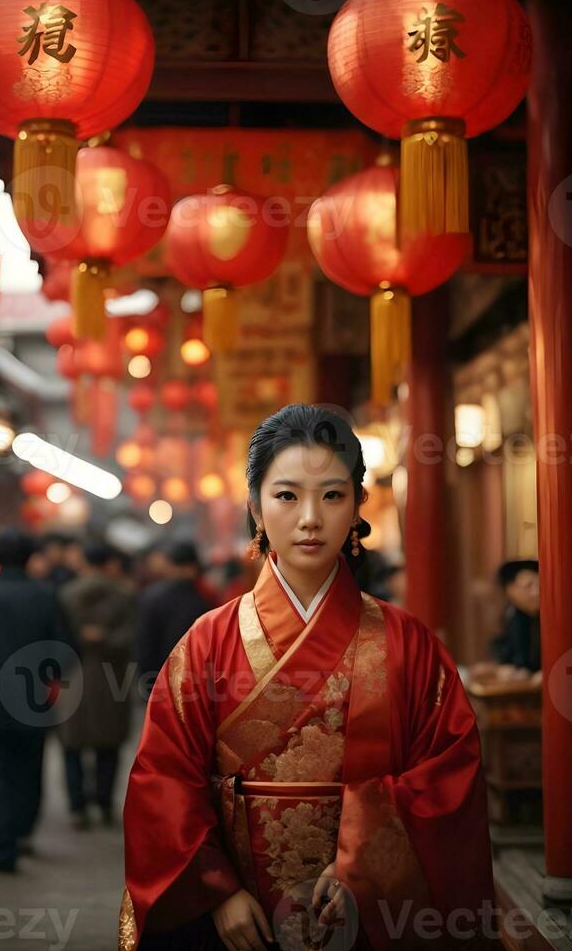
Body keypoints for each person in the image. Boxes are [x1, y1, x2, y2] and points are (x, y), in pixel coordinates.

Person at [122, 404, 496, 951]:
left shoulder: (407, 643)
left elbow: (448, 775)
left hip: (366, 910)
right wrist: (217, 892)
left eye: (332, 495)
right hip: (236, 912)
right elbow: (164, 778)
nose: (310, 519)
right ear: (254, 504)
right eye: (286, 495)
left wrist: (361, 870)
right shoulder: (207, 642)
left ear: (358, 505)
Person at [0, 527, 68, 873]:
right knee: (30, 769)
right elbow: (65, 651)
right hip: (33, 701)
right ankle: (22, 832)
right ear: (30, 556)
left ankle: (4, 844)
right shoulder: (46, 597)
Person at [57, 541, 136, 828]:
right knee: (109, 745)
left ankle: (78, 806)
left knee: (72, 746)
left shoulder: (66, 594)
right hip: (111, 676)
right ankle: (104, 803)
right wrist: (104, 638)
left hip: (73, 676)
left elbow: (57, 637)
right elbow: (131, 638)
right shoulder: (125, 594)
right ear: (109, 563)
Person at [135, 539, 213, 692]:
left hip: (158, 677)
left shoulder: (151, 596)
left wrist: (147, 683)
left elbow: (144, 643)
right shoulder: (204, 597)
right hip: (195, 679)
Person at [490, 559, 540, 674]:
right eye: (528, 586)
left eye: (540, 584)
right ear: (510, 590)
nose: (536, 592)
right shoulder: (514, 616)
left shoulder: (548, 616)